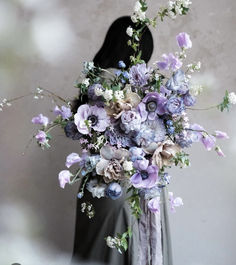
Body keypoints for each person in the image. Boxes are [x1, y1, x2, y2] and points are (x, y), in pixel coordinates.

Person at [71, 16, 173, 265]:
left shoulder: (94, 84)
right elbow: (146, 138)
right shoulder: (125, 87)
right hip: (124, 191)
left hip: (97, 188)